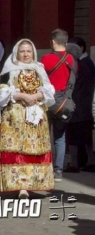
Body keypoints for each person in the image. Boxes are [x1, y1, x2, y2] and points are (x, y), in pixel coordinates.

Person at [0, 39, 55, 199]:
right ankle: (20, 186)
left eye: (29, 51)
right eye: (23, 51)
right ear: (17, 53)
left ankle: (31, 184)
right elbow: (0, 93)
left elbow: (49, 90)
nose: (26, 54)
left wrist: (36, 95)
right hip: (15, 116)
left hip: (36, 116)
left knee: (33, 150)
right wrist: (21, 95)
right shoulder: (9, 70)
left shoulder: (39, 69)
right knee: (17, 150)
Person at [40, 29, 74, 182]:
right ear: (66, 42)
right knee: (60, 137)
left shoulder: (46, 59)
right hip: (64, 102)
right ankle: (58, 170)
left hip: (48, 100)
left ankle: (44, 166)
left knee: (44, 134)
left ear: (53, 42)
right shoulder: (73, 60)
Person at [65, 39, 95, 172]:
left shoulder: (76, 66)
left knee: (73, 136)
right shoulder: (86, 65)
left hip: (77, 106)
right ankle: (90, 161)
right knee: (86, 136)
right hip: (86, 106)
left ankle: (75, 164)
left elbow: (72, 86)